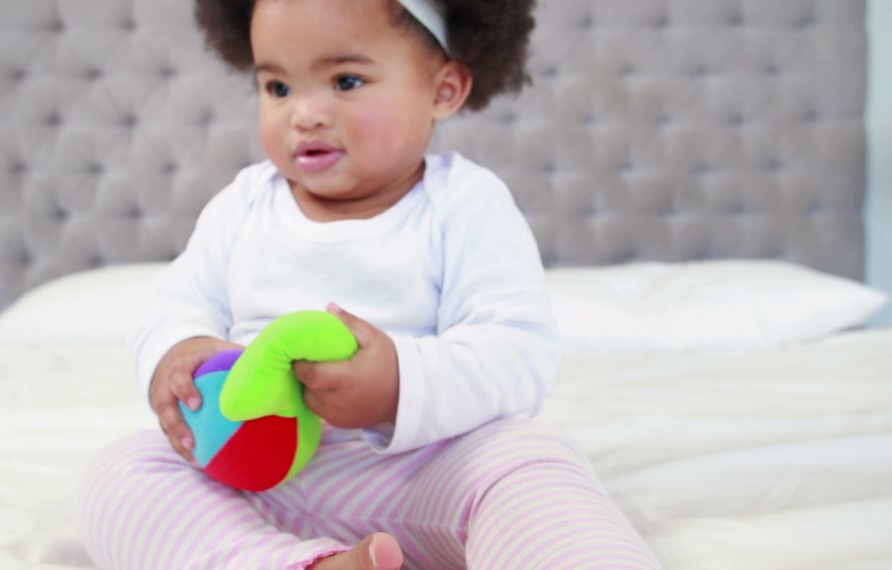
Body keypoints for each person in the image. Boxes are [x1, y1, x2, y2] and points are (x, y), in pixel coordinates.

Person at [79, 0, 661, 568]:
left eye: (346, 81)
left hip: (419, 473)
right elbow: (176, 304)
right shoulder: (243, 205)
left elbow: (517, 354)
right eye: (278, 88)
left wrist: (395, 386)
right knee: (125, 472)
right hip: (254, 475)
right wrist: (177, 354)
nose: (304, 114)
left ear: (443, 90)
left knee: (531, 462)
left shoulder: (463, 205)